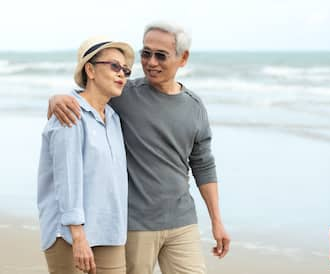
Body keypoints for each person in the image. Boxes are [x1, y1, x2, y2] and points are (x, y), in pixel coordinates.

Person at [48, 21, 230, 274]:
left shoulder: (194, 106)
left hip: (182, 222)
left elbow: (203, 164)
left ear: (183, 58)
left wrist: (217, 221)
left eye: (160, 55)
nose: (151, 62)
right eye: (146, 53)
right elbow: (87, 96)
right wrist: (56, 99)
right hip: (134, 225)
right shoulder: (123, 93)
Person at [38, 36, 134, 274]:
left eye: (126, 70)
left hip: (110, 233)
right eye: (114, 66)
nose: (121, 73)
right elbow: (67, 180)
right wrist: (78, 236)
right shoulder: (69, 114)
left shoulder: (113, 119)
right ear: (90, 69)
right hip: (70, 238)